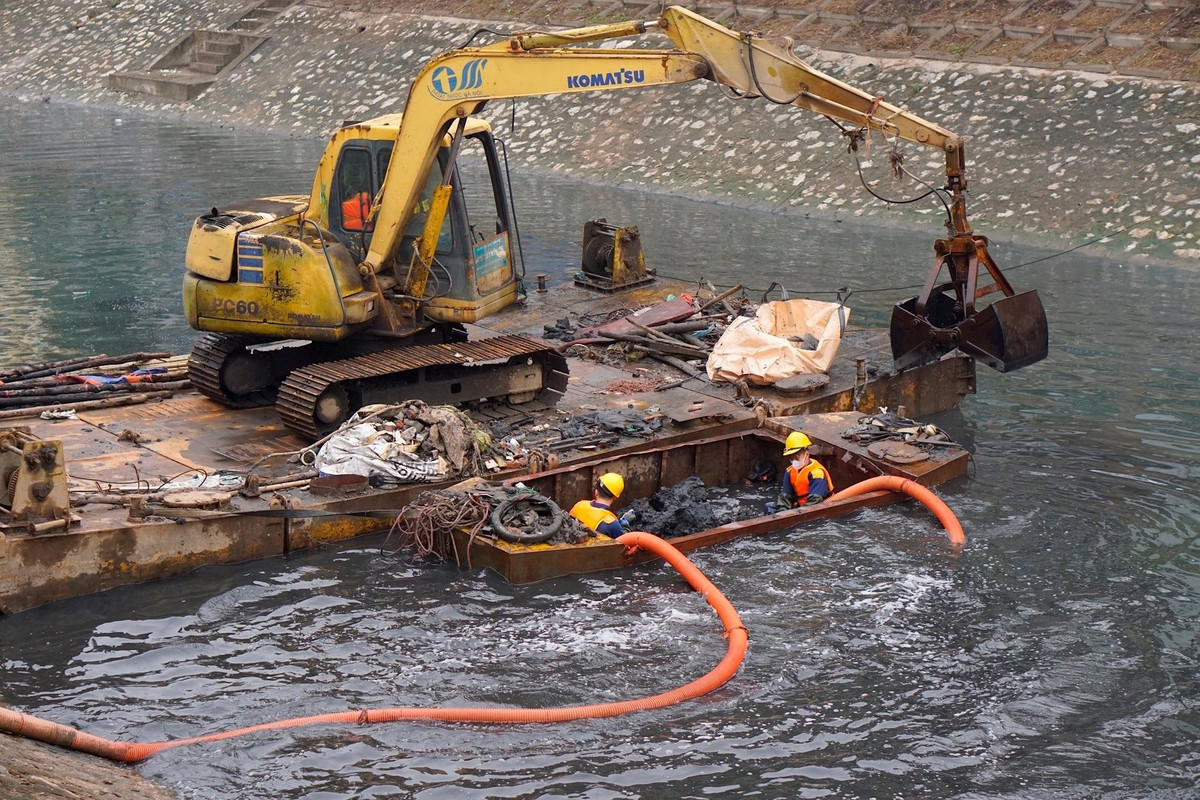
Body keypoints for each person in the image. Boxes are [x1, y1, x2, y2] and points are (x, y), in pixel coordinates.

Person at [774, 431, 833, 511]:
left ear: (807, 454)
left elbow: (814, 502)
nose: (794, 460)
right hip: (800, 507)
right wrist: (781, 514)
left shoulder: (817, 474)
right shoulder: (789, 472)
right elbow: (785, 497)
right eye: (791, 457)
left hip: (818, 508)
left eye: (797, 456)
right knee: (770, 507)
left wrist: (797, 513)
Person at [569, 472, 625, 538]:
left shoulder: (579, 505)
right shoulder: (611, 524)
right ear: (615, 497)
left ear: (596, 492)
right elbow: (624, 544)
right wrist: (625, 526)